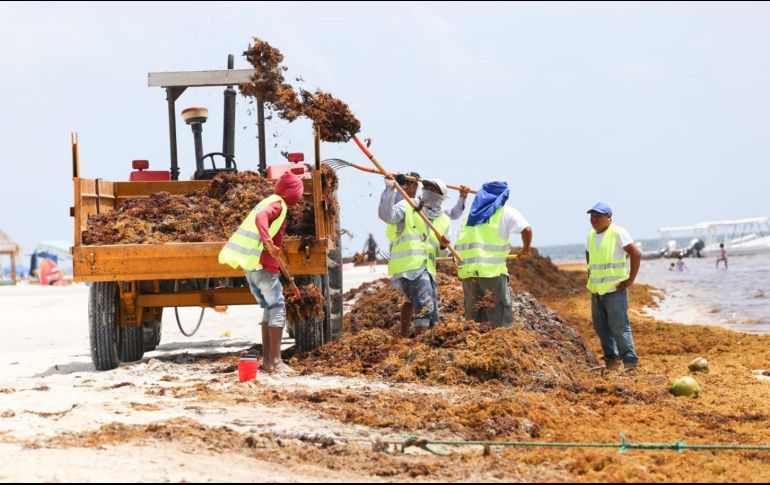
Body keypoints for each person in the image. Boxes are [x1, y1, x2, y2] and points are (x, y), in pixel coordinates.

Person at [218, 171, 304, 374]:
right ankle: (275, 361)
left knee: (268, 309)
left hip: (252, 267)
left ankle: (267, 360)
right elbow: (261, 217)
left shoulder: (269, 200)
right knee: (278, 308)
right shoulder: (278, 204)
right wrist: (267, 241)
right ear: (292, 193)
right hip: (264, 266)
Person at [379, 175, 451, 337]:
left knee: (432, 312)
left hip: (427, 269)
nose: (428, 192)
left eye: (433, 190)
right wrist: (389, 189)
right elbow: (387, 216)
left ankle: (421, 340)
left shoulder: (444, 220)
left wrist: (443, 244)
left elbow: (442, 253)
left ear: (441, 197)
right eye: (427, 188)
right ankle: (420, 344)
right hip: (409, 266)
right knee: (425, 305)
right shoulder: (408, 205)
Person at [455, 181, 532, 327]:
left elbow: (458, 245)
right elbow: (526, 229)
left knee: (474, 321)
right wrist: (526, 250)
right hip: (492, 274)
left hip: (468, 275)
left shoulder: (468, 218)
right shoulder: (506, 212)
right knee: (499, 321)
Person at [585, 202, 641, 371]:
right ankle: (612, 362)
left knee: (619, 327)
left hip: (615, 289)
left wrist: (630, 280)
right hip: (597, 290)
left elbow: (635, 253)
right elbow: (589, 255)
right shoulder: (591, 236)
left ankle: (630, 363)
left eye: (598, 216)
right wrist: (590, 277)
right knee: (601, 328)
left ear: (609, 217)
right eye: (592, 216)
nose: (594, 219)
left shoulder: (618, 232)